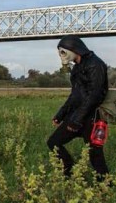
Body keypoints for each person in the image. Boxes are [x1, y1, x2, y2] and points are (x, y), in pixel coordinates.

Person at [47, 35, 109, 180]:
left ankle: (106, 189)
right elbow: (75, 95)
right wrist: (60, 115)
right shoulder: (77, 68)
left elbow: (95, 96)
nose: (61, 55)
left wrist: (77, 121)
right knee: (53, 143)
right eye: (59, 52)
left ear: (74, 49)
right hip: (77, 115)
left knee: (96, 155)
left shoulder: (96, 64)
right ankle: (69, 171)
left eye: (63, 52)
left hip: (93, 118)